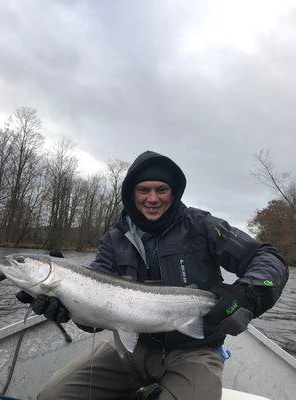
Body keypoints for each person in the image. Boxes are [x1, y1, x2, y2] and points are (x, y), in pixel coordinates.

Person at [17, 150, 289, 400]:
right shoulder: (113, 240)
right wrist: (67, 308)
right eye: (144, 189)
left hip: (194, 351)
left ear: (174, 192)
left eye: (162, 189)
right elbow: (95, 322)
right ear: (131, 194)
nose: (153, 198)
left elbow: (268, 258)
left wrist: (246, 295)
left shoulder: (204, 226)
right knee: (52, 396)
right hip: (130, 350)